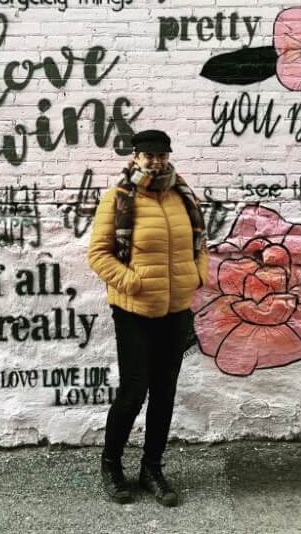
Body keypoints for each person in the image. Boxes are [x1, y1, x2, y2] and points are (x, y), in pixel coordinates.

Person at [87, 129, 208, 507]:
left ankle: (152, 469)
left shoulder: (182, 194)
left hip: (175, 310)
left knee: (164, 394)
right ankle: (111, 466)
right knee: (133, 393)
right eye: (147, 155)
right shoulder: (120, 197)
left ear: (168, 156)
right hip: (134, 310)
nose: (155, 161)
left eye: (161, 155)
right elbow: (99, 253)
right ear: (135, 157)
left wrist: (198, 276)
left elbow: (199, 245)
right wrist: (132, 283)